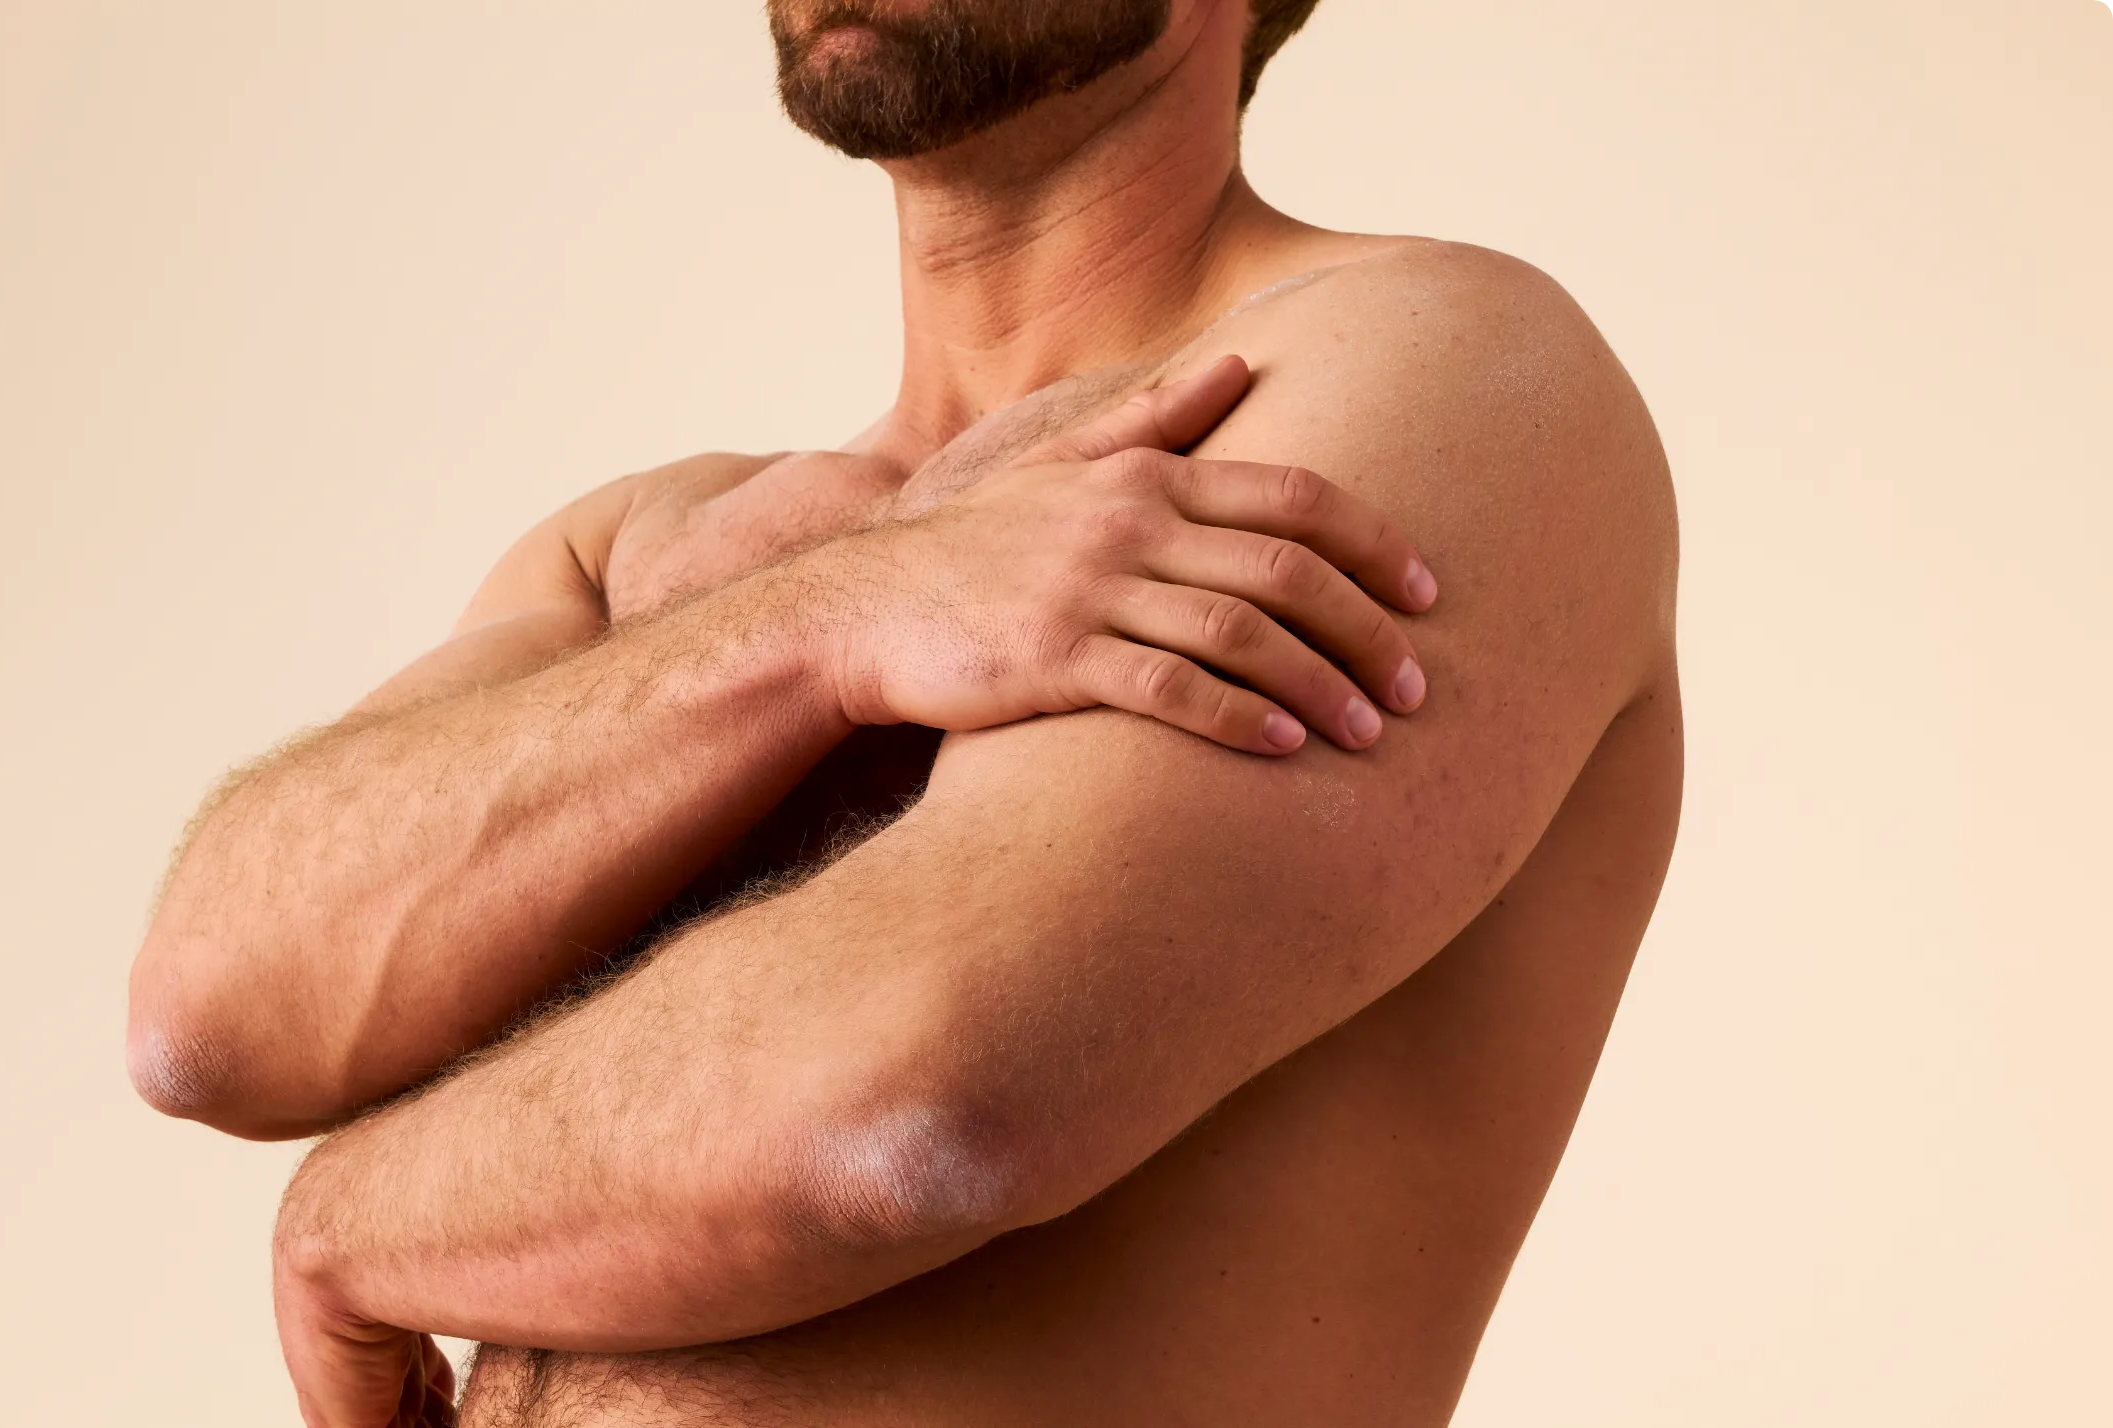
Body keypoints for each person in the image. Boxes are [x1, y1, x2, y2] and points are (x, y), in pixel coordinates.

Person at [126, 1, 1683, 1423]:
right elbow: (209, 1013)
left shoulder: (1435, 365)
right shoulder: (660, 544)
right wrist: (829, 627)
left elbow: (908, 1108)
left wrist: (348, 1223)